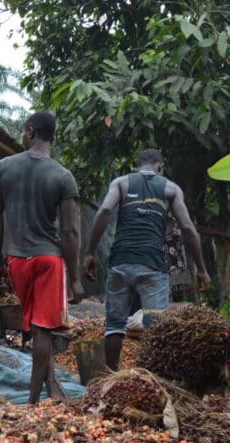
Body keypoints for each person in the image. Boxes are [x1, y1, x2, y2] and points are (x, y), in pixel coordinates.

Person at [84, 149, 211, 370]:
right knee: (155, 329)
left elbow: (105, 210)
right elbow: (188, 228)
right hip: (152, 267)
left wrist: (89, 252)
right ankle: (153, 379)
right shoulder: (170, 189)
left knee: (114, 326)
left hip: (120, 264)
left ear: (136, 166)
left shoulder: (121, 183)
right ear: (160, 167)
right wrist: (201, 269)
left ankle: (111, 377)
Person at [0, 111, 84, 404]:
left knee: (34, 323)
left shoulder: (3, 167)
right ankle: (33, 400)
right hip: (48, 259)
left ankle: (49, 386)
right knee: (43, 329)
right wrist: (76, 278)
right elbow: (69, 231)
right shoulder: (62, 176)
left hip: (16, 260)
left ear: (30, 132)